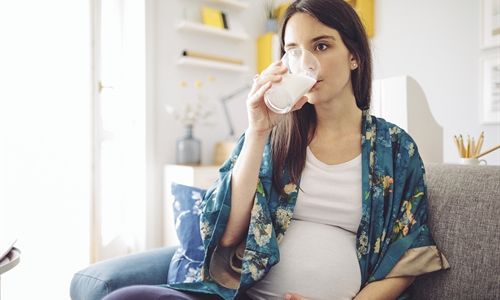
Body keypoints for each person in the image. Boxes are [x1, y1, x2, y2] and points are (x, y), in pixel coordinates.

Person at [103, 0, 449, 299]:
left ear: (355, 56)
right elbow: (227, 233)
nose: (305, 62)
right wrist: (256, 131)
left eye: (322, 46)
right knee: (126, 296)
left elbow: (409, 255)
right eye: (293, 51)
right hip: (243, 294)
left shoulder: (394, 147)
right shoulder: (274, 134)